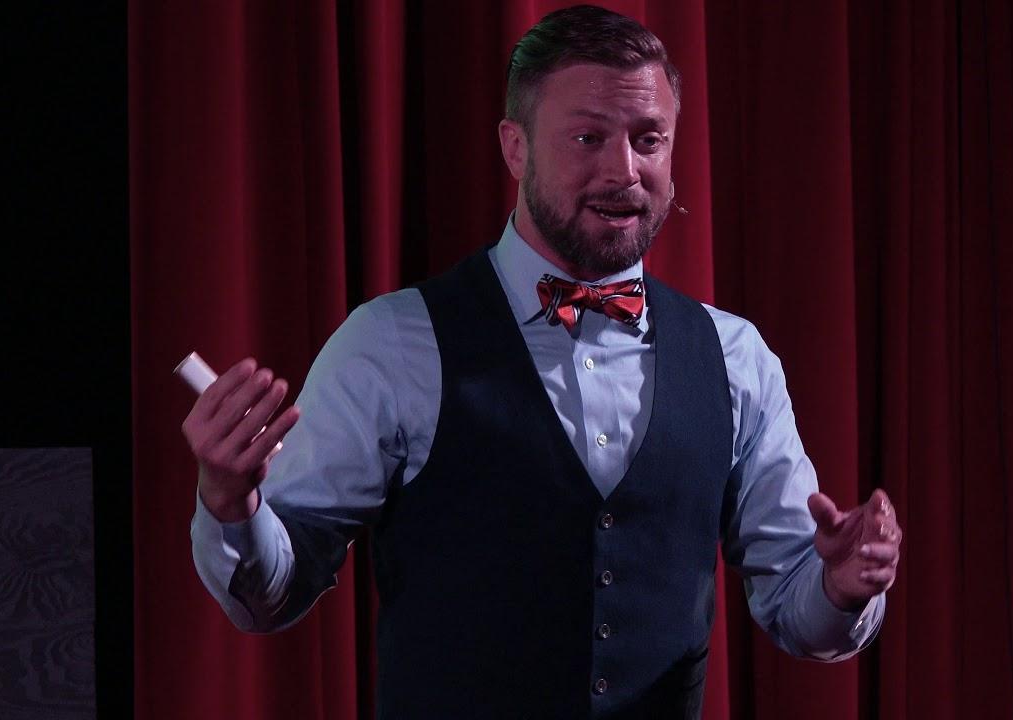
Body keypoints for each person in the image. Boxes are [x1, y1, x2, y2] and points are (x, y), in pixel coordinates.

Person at [183, 5, 902, 718]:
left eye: (649, 139)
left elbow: (799, 609)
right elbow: (270, 596)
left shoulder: (736, 358)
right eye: (588, 138)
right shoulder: (391, 343)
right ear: (515, 148)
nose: (624, 171)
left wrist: (840, 588)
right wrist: (231, 505)